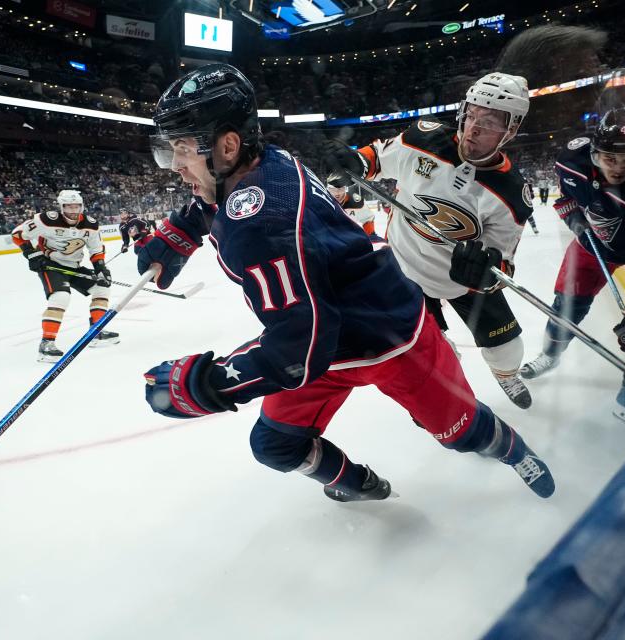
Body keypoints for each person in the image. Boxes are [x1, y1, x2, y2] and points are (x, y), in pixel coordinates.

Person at [137, 63, 554, 501]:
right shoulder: (269, 160)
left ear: (227, 145)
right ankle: (361, 485)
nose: (175, 167)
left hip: (388, 336)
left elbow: (299, 350)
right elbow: (226, 199)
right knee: (275, 444)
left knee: (461, 431)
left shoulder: (257, 224)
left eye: (181, 150)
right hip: (334, 337)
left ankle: (514, 451)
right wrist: (179, 230)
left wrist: (211, 382)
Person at [323, 72, 537, 409]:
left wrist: (485, 272)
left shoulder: (513, 193)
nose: (474, 128)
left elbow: (503, 261)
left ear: (511, 130)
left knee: (507, 348)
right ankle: (443, 401)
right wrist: (354, 160)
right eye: (471, 114)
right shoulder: (423, 139)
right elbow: (375, 159)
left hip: (463, 284)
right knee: (429, 356)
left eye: (491, 121)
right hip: (405, 270)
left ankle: (507, 374)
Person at [519, 108, 625, 432]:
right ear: (595, 152)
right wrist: (575, 221)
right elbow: (565, 199)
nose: (619, 168)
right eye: (610, 158)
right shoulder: (572, 160)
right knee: (564, 308)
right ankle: (551, 353)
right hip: (591, 244)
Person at [12, 189, 119, 362]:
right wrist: (31, 254)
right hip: (51, 266)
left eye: (76, 206)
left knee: (101, 288)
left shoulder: (90, 225)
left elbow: (96, 249)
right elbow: (17, 234)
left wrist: (100, 268)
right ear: (62, 207)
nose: (73, 211)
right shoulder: (46, 220)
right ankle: (46, 344)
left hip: (74, 266)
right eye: (68, 207)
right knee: (61, 297)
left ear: (82, 206)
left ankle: (97, 332)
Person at [325, 171, 382, 241]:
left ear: (345, 188)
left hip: (350, 239)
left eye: (340, 189)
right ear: (327, 189)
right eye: (333, 189)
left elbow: (367, 218)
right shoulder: (322, 201)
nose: (337, 193)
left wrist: (371, 236)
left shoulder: (356, 202)